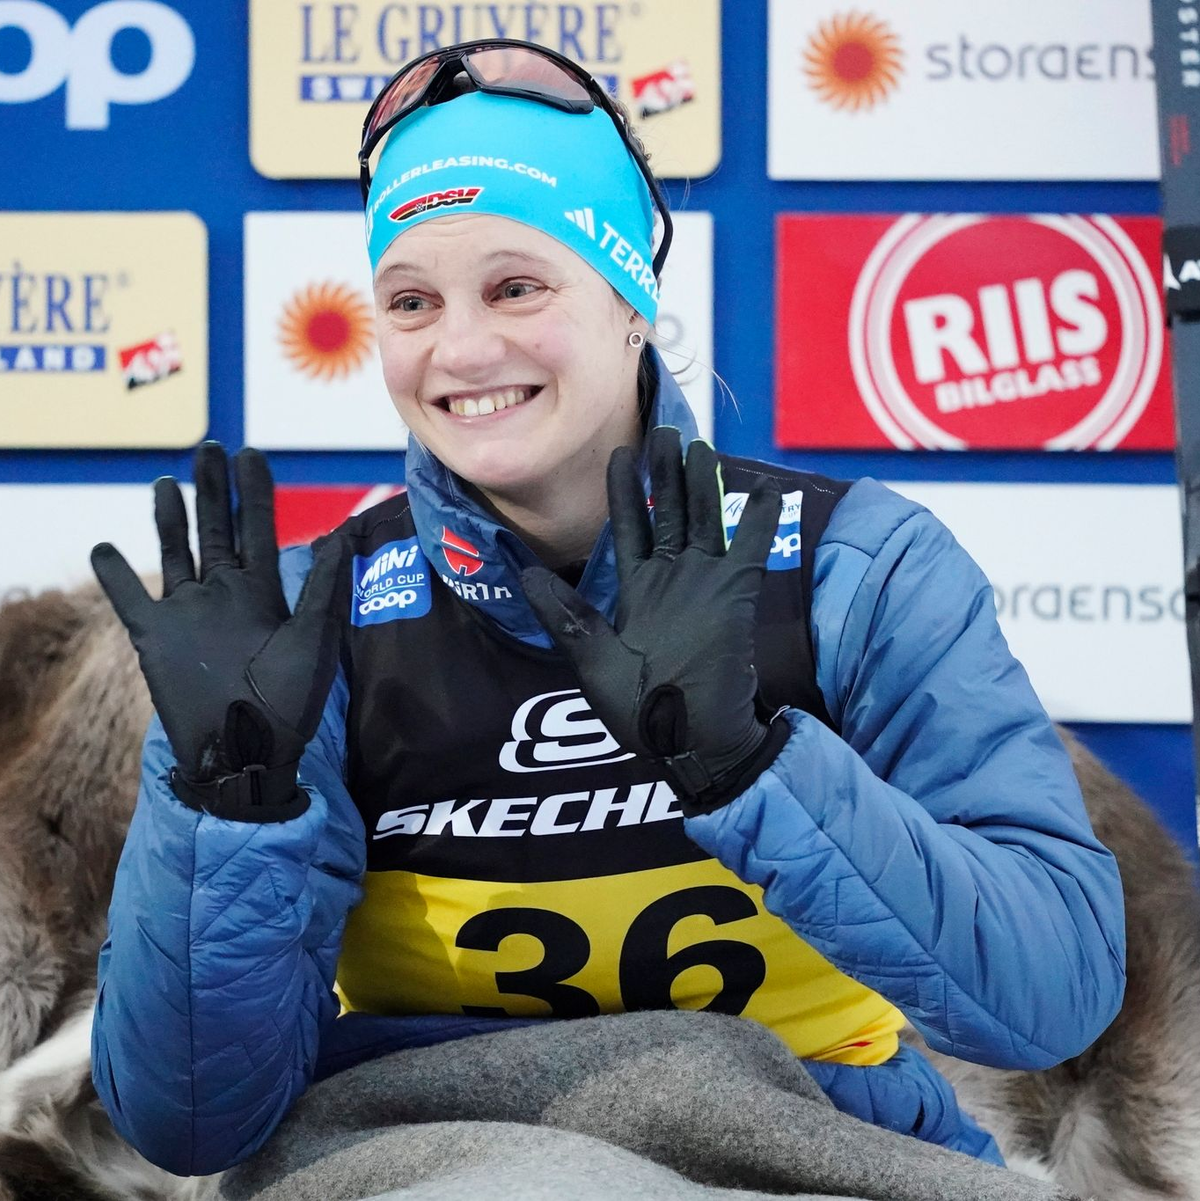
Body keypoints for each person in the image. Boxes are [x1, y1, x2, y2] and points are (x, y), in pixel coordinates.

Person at [88, 38, 1125, 1180]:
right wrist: (229, 819)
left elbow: (1049, 1002)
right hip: (420, 1148)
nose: (463, 346)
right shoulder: (303, 625)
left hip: (818, 1145)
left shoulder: (854, 569)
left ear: (630, 298)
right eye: (412, 300)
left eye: (517, 285)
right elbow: (189, 1123)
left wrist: (754, 772)